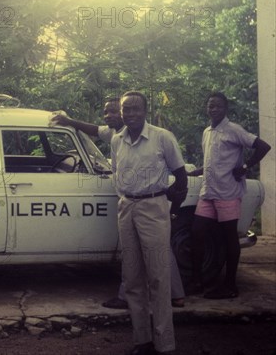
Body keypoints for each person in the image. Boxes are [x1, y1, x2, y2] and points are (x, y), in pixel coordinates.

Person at [52, 99, 186, 310]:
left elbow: (180, 174)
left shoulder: (150, 135)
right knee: (137, 252)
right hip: (127, 201)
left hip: (149, 200)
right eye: (107, 112)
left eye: (114, 111)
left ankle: (149, 298)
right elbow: (94, 130)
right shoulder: (115, 135)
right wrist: (69, 121)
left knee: (156, 252)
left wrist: (174, 206)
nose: (109, 115)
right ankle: (169, 295)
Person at [111, 91, 188, 355]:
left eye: (135, 109)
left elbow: (181, 177)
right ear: (121, 112)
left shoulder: (162, 137)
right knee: (132, 279)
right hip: (126, 207)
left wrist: (172, 212)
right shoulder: (116, 140)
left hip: (154, 207)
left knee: (158, 277)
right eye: (126, 109)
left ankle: (165, 344)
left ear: (145, 110)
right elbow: (117, 174)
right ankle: (141, 340)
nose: (130, 113)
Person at [186, 92, 271, 299]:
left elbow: (263, 146)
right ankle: (197, 281)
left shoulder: (234, 130)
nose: (213, 109)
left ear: (225, 109)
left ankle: (230, 286)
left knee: (229, 238)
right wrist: (192, 172)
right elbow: (211, 162)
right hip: (208, 192)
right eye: (210, 106)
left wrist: (245, 166)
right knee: (197, 233)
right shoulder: (207, 132)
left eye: (217, 106)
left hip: (228, 193)